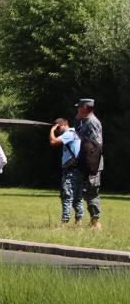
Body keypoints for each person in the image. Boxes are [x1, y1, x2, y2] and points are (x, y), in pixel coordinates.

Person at [48, 117, 84, 226]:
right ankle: (79, 222)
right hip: (78, 170)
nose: (58, 130)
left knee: (67, 196)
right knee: (77, 197)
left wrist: (52, 130)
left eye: (59, 127)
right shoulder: (75, 133)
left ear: (65, 124)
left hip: (71, 171)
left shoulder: (69, 133)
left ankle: (64, 223)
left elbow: (53, 141)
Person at [74, 98, 104, 230]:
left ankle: (96, 222)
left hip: (92, 162)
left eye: (79, 107)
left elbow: (97, 145)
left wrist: (90, 165)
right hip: (85, 161)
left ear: (85, 108)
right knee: (86, 191)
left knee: (92, 191)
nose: (77, 109)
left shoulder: (92, 122)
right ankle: (93, 220)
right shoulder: (83, 121)